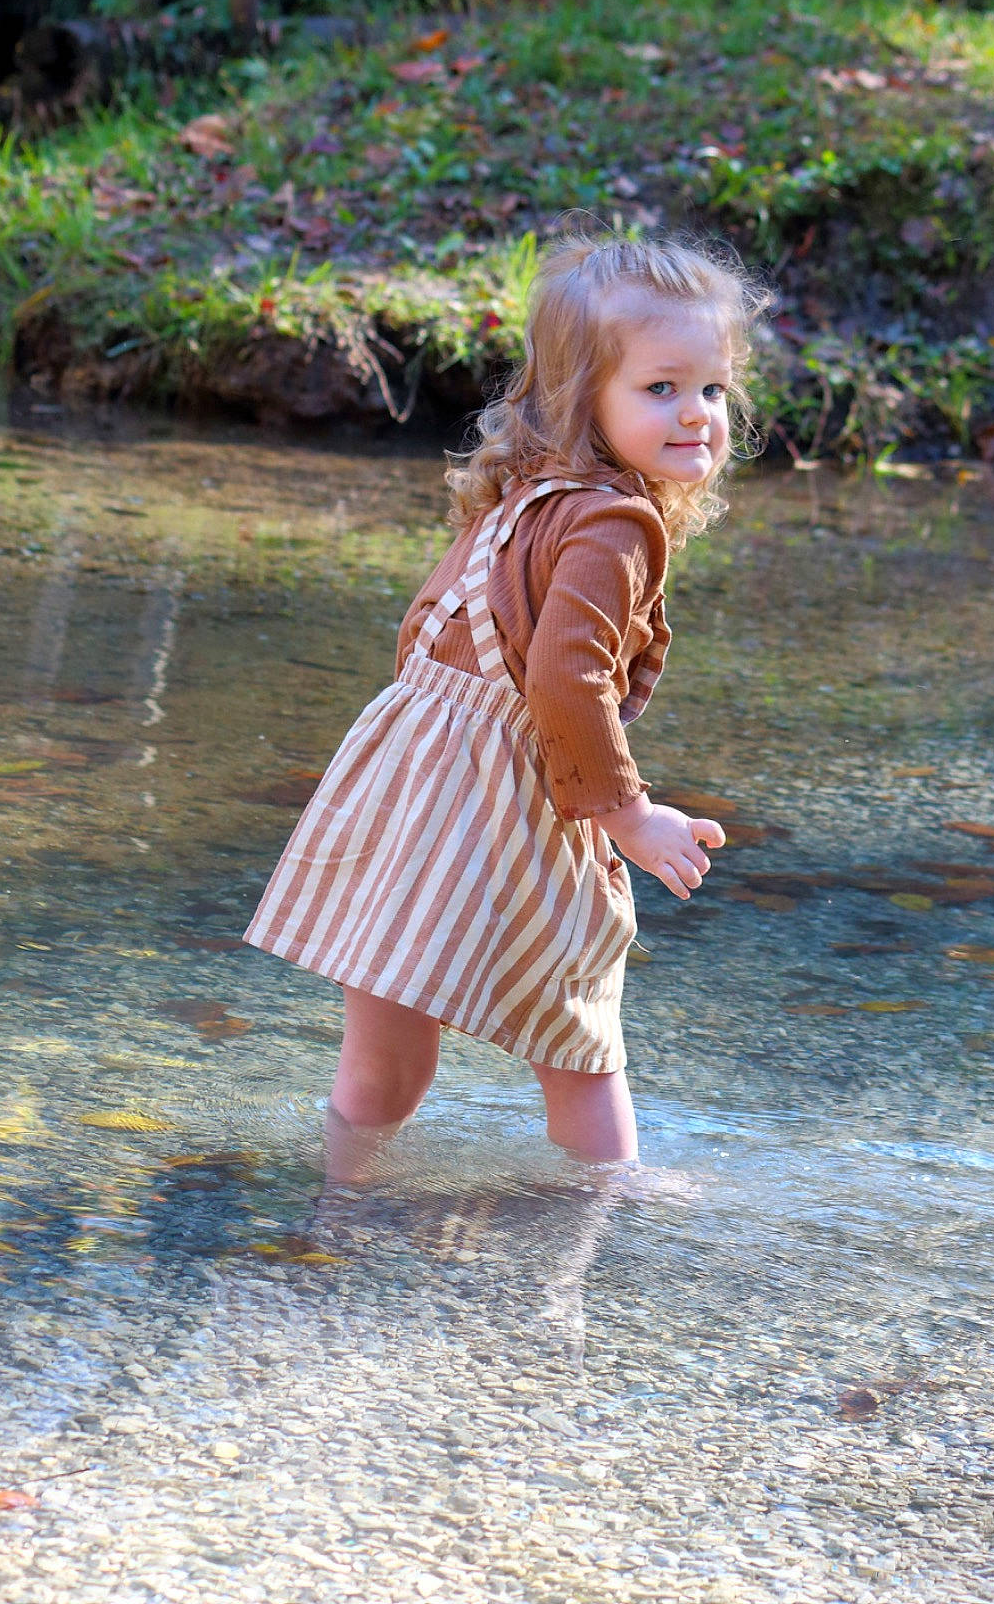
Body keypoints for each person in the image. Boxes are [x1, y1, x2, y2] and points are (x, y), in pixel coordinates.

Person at [244, 232, 767, 1168]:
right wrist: (629, 817)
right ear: (581, 397)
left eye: (712, 388)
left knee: (388, 1037)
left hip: (411, 777)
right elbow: (569, 680)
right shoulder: (614, 523)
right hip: (499, 792)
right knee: (577, 1028)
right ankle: (603, 1221)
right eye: (660, 388)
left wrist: (432, 746)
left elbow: (422, 629)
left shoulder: (524, 494)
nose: (697, 414)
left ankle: (341, 1205)